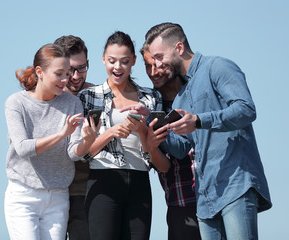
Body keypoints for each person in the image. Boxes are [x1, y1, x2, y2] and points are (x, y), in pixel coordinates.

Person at [141, 22, 272, 239]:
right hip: (205, 198)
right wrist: (147, 122)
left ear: (179, 48)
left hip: (235, 186)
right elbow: (182, 148)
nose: (156, 65)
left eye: (159, 56)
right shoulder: (182, 96)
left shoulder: (217, 67)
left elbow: (246, 109)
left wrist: (199, 121)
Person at [4, 43, 100, 240]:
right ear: (40, 71)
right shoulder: (16, 103)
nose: (66, 80)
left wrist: (88, 141)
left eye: (67, 73)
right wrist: (61, 134)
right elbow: (23, 148)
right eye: (59, 74)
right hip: (24, 195)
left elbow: (73, 152)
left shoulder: (72, 102)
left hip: (58, 196)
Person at [78, 31, 162, 240]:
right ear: (103, 60)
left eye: (124, 61)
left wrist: (142, 129)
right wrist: (110, 133)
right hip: (103, 179)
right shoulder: (88, 97)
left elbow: (154, 150)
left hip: (140, 181)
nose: (118, 67)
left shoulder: (151, 97)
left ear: (134, 61)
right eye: (112, 61)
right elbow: (82, 153)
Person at [140, 44, 201, 240]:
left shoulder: (199, 90)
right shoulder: (151, 105)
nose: (153, 72)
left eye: (157, 65)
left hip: (216, 197)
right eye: (148, 66)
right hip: (180, 203)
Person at [54, 35, 93, 240]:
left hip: (84, 191)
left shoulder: (97, 96)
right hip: (50, 193)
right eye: (70, 71)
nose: (77, 76)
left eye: (82, 68)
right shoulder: (43, 98)